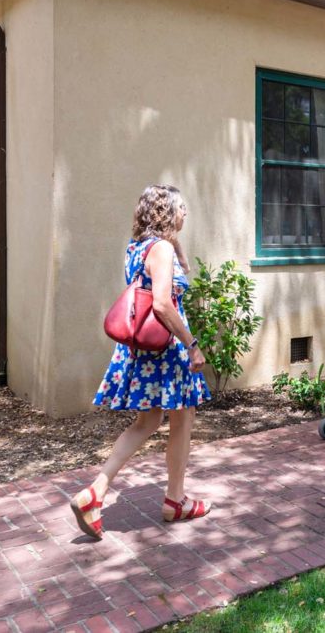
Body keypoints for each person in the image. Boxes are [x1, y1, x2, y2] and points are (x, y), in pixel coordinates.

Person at [71, 184, 211, 540]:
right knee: (183, 414)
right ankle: (175, 500)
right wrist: (192, 344)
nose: (186, 214)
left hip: (143, 350)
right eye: (182, 207)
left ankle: (96, 492)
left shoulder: (138, 247)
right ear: (168, 212)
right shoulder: (160, 249)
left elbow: (178, 276)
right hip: (167, 350)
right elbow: (163, 303)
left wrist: (175, 246)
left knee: (148, 419)